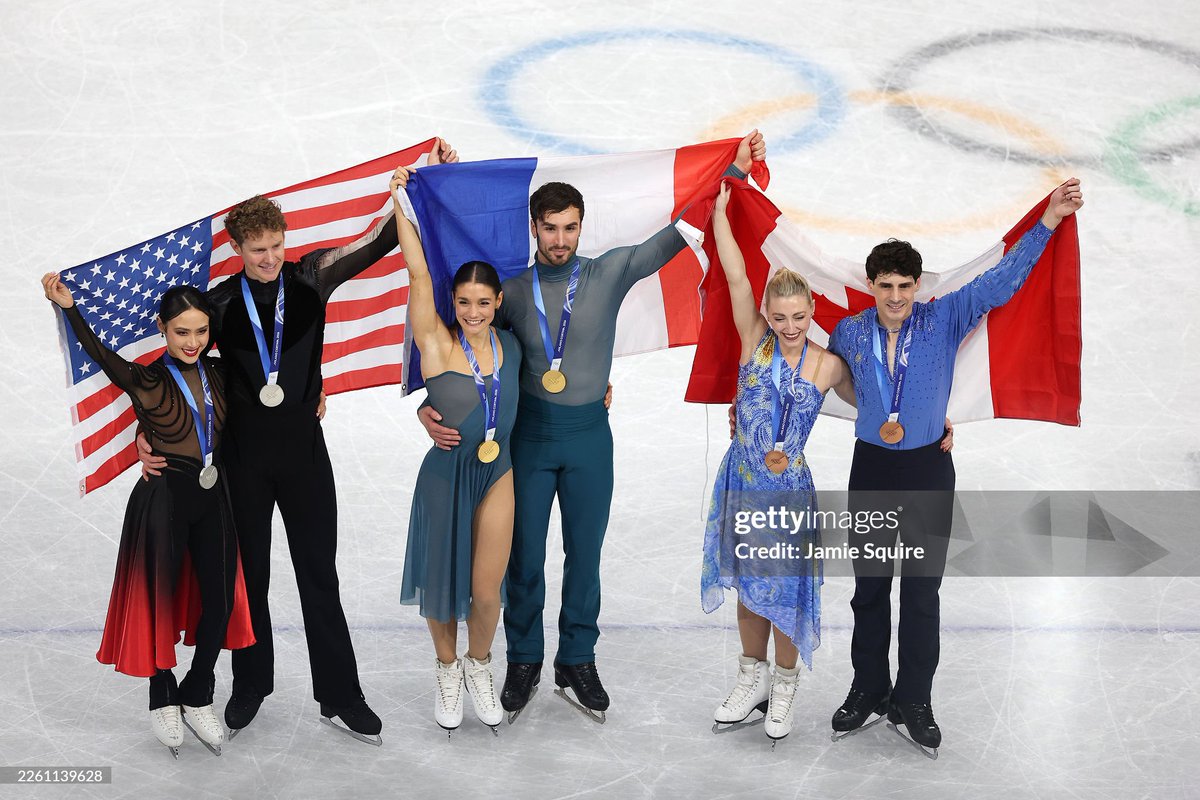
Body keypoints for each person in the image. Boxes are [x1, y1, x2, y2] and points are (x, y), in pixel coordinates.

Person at [420, 131, 768, 723]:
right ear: (534, 227)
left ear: (581, 228)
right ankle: (525, 659)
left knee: (585, 556)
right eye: (550, 228)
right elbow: (460, 337)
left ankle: (577, 659)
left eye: (570, 228)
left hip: (588, 441)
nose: (560, 239)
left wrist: (728, 170)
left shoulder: (610, 271)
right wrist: (431, 408)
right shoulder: (507, 289)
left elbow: (680, 228)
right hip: (527, 440)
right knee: (524, 558)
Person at [137, 138, 460, 745]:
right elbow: (173, 368)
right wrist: (142, 433)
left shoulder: (311, 277)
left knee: (320, 575)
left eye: (276, 246)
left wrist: (421, 183)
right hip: (243, 466)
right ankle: (251, 686)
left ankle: (340, 695)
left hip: (306, 458)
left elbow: (382, 241)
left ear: (286, 241)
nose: (268, 258)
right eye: (257, 250)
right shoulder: (221, 304)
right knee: (249, 580)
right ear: (237, 249)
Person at [827, 178, 1084, 757]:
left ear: (919, 286)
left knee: (921, 592)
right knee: (869, 591)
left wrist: (1046, 220)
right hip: (870, 468)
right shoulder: (847, 331)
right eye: (885, 286)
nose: (895, 296)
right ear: (870, 286)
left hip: (925, 471)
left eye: (905, 286)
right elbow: (806, 366)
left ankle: (913, 698)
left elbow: (1002, 283)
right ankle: (868, 687)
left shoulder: (943, 318)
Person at [42, 277, 254, 757]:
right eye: (182, 332)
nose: (193, 342)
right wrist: (70, 307)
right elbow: (98, 353)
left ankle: (198, 690)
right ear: (162, 329)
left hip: (212, 495)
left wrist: (316, 393)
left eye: (200, 331)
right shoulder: (147, 379)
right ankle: (162, 689)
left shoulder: (221, 373)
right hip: (163, 499)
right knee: (157, 601)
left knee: (219, 602)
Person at [701, 181, 854, 741]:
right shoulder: (754, 340)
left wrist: (937, 420)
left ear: (813, 311)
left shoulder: (828, 365)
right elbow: (736, 271)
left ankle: (785, 685)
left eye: (799, 316)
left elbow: (881, 403)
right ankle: (751, 679)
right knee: (748, 587)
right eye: (780, 315)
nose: (790, 326)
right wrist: (721, 212)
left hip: (789, 493)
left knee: (785, 590)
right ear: (768, 311)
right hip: (743, 480)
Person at [390, 168, 521, 733]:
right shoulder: (437, 344)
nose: (472, 312)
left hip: (498, 473)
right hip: (445, 476)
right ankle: (447, 670)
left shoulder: (512, 346)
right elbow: (418, 270)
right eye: (464, 301)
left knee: (486, 591)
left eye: (483, 303)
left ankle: (480, 665)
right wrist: (403, 198)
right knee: (444, 588)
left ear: (497, 303)